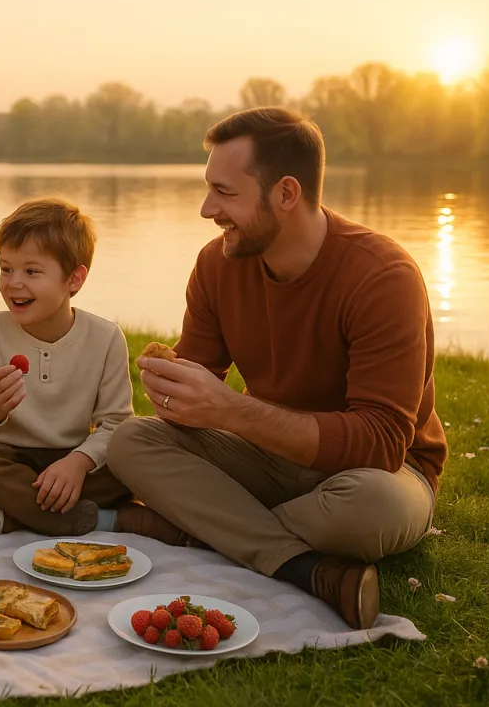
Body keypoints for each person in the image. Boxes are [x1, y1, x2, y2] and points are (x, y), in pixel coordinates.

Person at [107, 107, 446, 629]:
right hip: (268, 460)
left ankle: (200, 534)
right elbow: (195, 393)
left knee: (370, 506)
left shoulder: (383, 277)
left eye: (225, 193)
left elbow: (381, 443)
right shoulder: (218, 264)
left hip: (376, 474)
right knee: (132, 440)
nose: (206, 209)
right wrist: (177, 393)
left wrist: (230, 410)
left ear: (286, 194)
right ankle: (301, 565)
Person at [0, 197, 187, 543]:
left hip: (77, 466)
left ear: (74, 279)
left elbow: (115, 424)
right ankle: (110, 521)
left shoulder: (105, 338)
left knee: (134, 459)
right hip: (10, 461)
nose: (13, 283)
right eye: (6, 268)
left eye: (31, 271)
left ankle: (17, 516)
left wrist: (79, 461)